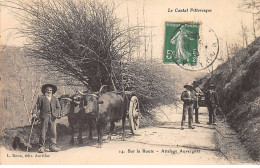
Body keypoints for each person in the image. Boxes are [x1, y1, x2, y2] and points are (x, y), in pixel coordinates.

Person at [32, 84, 61, 153]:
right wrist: (34, 113)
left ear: (52, 91)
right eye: (47, 90)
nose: (49, 91)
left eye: (50, 90)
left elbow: (58, 108)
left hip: (53, 117)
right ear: (45, 91)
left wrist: (56, 114)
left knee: (53, 132)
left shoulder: (55, 98)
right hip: (44, 117)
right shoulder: (41, 98)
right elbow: (37, 106)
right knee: (43, 132)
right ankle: (41, 147)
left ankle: (52, 146)